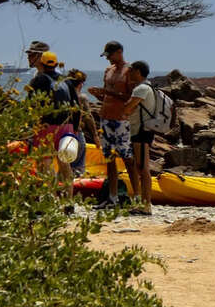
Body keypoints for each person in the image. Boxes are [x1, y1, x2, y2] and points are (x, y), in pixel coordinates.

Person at [88, 41, 134, 208]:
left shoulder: (129, 71)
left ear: (119, 52)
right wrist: (99, 94)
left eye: (110, 55)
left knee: (127, 158)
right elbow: (107, 96)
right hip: (105, 117)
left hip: (121, 119)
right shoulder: (108, 71)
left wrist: (108, 92)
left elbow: (128, 97)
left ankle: (136, 196)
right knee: (109, 159)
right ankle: (112, 198)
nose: (108, 59)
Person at [26, 50, 76, 198]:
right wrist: (75, 129)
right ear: (55, 64)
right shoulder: (66, 80)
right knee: (65, 162)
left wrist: (29, 126)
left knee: (45, 164)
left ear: (41, 63)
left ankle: (51, 198)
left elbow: (30, 104)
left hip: (45, 126)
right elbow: (76, 105)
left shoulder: (39, 80)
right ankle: (68, 200)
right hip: (66, 126)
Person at [121, 60, 156, 215]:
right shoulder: (148, 87)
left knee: (143, 167)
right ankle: (143, 202)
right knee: (140, 166)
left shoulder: (141, 88)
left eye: (132, 70)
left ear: (138, 71)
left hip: (141, 130)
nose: (129, 73)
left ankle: (146, 204)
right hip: (143, 130)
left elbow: (127, 109)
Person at [63, 69, 100, 178]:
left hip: (62, 132)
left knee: (65, 163)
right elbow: (88, 117)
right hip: (76, 132)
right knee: (78, 166)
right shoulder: (81, 97)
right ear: (81, 83)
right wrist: (95, 136)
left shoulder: (62, 95)